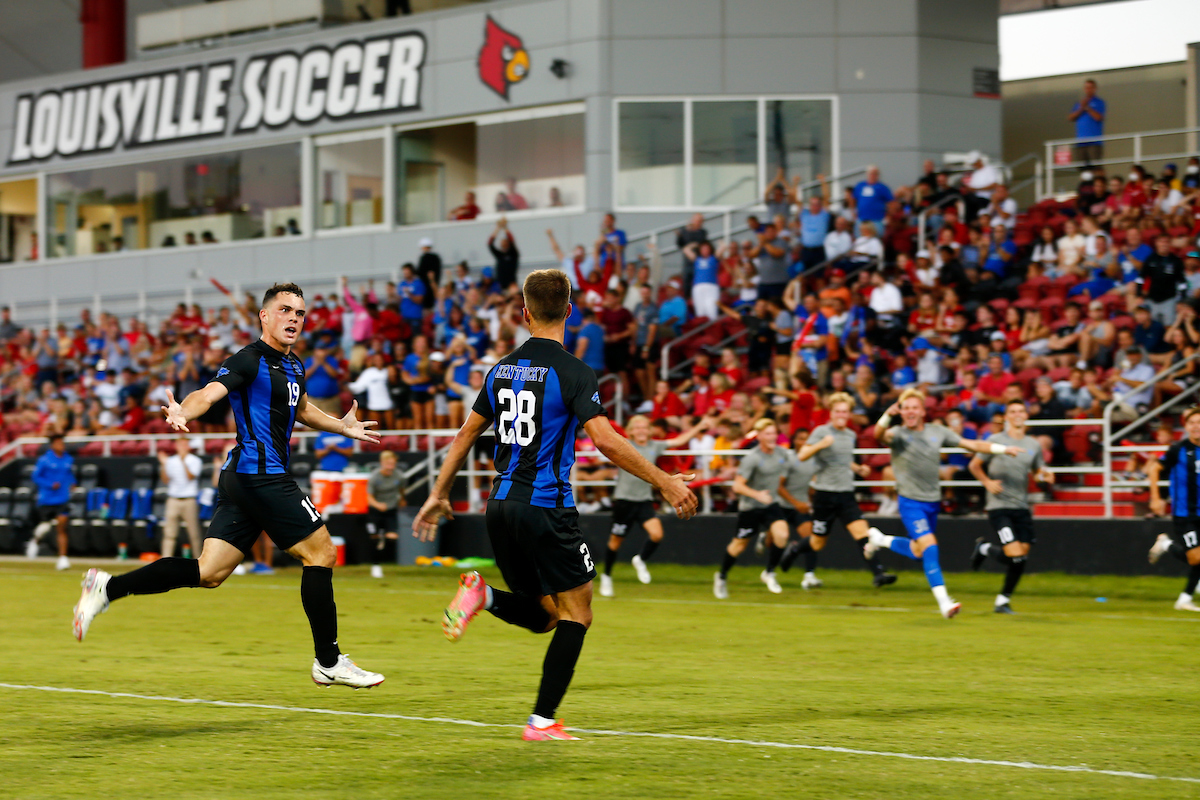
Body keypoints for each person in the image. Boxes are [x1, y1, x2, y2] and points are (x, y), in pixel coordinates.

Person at [412, 268, 698, 741]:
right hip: (545, 505)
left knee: (546, 615)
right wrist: (665, 481)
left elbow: (465, 435)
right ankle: (541, 721)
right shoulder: (573, 371)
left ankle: (482, 595)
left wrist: (438, 493)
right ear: (569, 310)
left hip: (500, 507)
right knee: (577, 613)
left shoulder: (500, 369)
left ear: (523, 314)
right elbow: (604, 439)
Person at [72, 282, 386, 690]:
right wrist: (185, 409)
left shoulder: (294, 365)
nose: (294, 318)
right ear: (265, 316)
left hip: (244, 477)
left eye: (301, 313)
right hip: (261, 474)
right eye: (286, 310)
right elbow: (210, 392)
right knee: (322, 552)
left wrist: (341, 426)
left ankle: (107, 588)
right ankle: (328, 661)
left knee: (210, 572)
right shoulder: (248, 359)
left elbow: (303, 408)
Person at [865, 389, 1023, 618]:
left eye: (914, 407)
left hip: (932, 502)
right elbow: (878, 434)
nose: (910, 411)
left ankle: (880, 539)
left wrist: (1002, 449)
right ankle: (944, 603)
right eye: (905, 407)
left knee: (919, 550)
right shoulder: (897, 433)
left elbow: (972, 445)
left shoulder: (937, 431)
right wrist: (886, 417)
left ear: (922, 410)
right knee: (930, 547)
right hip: (910, 502)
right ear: (900, 411)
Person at [600, 414, 712, 597]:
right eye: (637, 427)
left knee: (657, 534)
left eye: (644, 426)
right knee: (615, 542)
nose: (641, 430)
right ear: (630, 431)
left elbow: (679, 440)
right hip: (624, 501)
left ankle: (640, 559)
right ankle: (606, 577)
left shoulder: (655, 445)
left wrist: (699, 426)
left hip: (644, 500)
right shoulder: (625, 444)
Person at [792, 392, 892, 587]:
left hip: (845, 493)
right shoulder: (821, 432)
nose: (841, 415)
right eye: (837, 411)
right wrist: (821, 444)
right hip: (824, 495)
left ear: (849, 414)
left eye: (845, 412)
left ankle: (878, 574)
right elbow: (802, 455)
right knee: (817, 542)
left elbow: (846, 461)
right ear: (831, 412)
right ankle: (794, 549)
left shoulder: (851, 435)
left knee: (862, 533)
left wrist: (859, 469)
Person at [968, 400, 1054, 614]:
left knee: (1021, 556)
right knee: (1015, 555)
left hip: (1021, 506)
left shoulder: (1033, 445)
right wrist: (987, 482)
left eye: (1021, 411)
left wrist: (1045, 476)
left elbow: (1037, 473)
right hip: (999, 506)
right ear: (1006, 417)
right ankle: (985, 551)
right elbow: (974, 464)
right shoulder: (996, 440)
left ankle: (1002, 600)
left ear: (1026, 415)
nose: (1017, 414)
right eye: (1012, 411)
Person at [713, 419, 796, 598]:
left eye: (774, 433)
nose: (772, 437)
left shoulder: (782, 453)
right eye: (768, 433)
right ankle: (721, 576)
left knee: (782, 534)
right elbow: (737, 486)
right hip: (751, 507)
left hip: (770, 504)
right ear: (759, 436)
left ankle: (769, 572)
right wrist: (757, 495)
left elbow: (799, 459)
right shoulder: (752, 458)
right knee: (738, 546)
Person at [1147, 406, 1200, 612]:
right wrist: (1155, 497)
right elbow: (1155, 468)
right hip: (1185, 513)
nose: (1196, 427)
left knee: (1199, 558)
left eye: (1199, 422)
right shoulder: (1177, 449)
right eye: (1192, 423)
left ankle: (1185, 599)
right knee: (1196, 557)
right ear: (1186, 427)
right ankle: (1166, 544)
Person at [778, 427, 822, 589]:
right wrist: (796, 503)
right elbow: (779, 487)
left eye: (806, 438)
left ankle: (809, 575)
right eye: (800, 438)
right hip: (782, 506)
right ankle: (764, 539)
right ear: (793, 441)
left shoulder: (814, 460)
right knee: (774, 540)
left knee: (811, 537)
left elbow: (812, 484)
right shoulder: (787, 458)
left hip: (800, 507)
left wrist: (809, 500)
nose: (803, 442)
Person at [30, 433, 74, 570]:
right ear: (53, 445)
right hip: (47, 498)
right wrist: (50, 484)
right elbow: (35, 477)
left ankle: (62, 559)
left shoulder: (68, 459)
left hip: (62, 498)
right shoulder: (44, 460)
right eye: (59, 443)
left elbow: (69, 474)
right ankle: (36, 540)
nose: (62, 445)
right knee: (45, 527)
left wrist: (73, 483)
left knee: (62, 525)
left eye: (63, 443)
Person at [158, 437, 204, 560]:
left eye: (185, 445)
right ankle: (165, 560)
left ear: (189, 446)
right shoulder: (171, 461)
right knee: (169, 533)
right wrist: (163, 465)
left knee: (194, 533)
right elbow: (165, 479)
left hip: (189, 500)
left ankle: (199, 561)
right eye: (180, 445)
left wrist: (183, 462)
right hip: (173, 499)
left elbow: (191, 477)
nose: (182, 447)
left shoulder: (195, 460)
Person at [365, 451, 407, 580]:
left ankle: (383, 540)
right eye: (388, 463)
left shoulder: (399, 477)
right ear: (382, 463)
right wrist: (378, 505)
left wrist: (401, 499)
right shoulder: (375, 477)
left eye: (393, 463)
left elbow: (401, 490)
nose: (390, 465)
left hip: (390, 510)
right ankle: (375, 566)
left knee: (392, 538)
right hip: (375, 511)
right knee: (374, 539)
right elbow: (369, 497)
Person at [1068, 79, 1106, 165]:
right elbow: (1070, 117)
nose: (1088, 90)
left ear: (1095, 88)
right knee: (1083, 168)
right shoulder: (1079, 104)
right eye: (1086, 88)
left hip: (1094, 142)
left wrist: (1088, 108)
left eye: (1090, 87)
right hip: (1081, 142)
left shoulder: (1099, 102)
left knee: (1096, 167)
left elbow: (1098, 117)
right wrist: (1081, 108)